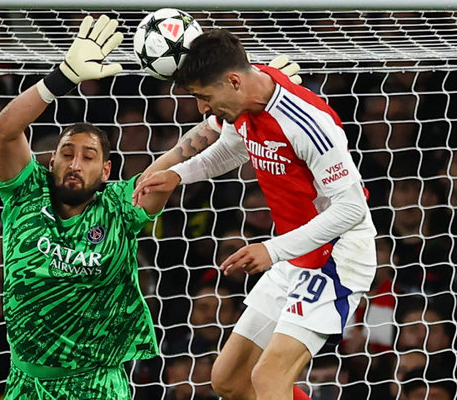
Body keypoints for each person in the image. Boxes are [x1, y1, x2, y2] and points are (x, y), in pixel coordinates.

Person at [133, 29, 377, 400]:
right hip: (295, 254)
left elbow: (352, 208)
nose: (202, 109)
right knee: (229, 379)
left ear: (232, 81)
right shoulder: (245, 101)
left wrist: (272, 250)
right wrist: (178, 175)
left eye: (204, 97)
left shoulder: (307, 124)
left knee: (268, 377)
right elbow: (232, 149)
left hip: (337, 256)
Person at [0, 15, 174, 399]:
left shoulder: (120, 205)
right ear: (51, 160)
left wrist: (231, 115)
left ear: (106, 170)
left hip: (97, 384)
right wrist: (64, 76)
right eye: (67, 154)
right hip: (25, 382)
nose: (75, 164)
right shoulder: (26, 191)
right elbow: (6, 128)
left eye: (88, 157)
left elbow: (173, 163)